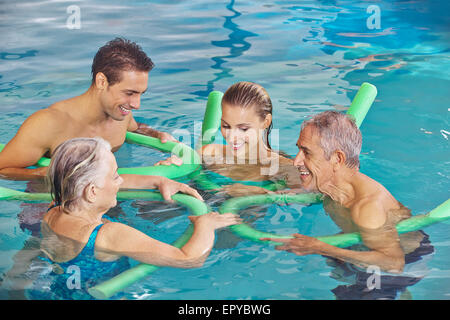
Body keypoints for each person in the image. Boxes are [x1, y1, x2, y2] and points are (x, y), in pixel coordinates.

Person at [30, 137, 241, 299]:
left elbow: (89, 183)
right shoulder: (109, 235)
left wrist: (157, 180)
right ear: (92, 192)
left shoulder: (54, 210)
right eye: (115, 176)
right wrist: (206, 225)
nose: (121, 180)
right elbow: (190, 259)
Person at [262, 111, 434, 298]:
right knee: (336, 265)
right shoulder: (330, 183)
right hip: (367, 242)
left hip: (406, 257)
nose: (296, 161)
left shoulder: (367, 208)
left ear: (337, 159)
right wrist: (270, 194)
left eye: (306, 152)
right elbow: (311, 192)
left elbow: (393, 263)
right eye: (299, 150)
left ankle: (400, 292)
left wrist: (319, 246)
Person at [0, 37, 176, 181]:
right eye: (129, 93)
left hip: (105, 195)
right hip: (52, 206)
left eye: (140, 94)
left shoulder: (121, 115)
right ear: (101, 81)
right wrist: (46, 174)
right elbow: (2, 169)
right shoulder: (48, 123)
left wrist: (156, 134)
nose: (136, 104)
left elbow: (136, 128)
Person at [159, 81, 304, 197]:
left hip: (246, 211)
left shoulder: (285, 168)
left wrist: (259, 193)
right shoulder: (208, 153)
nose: (232, 137)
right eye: (226, 126)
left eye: (243, 128)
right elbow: (184, 165)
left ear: (265, 122)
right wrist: (175, 166)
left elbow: (309, 195)